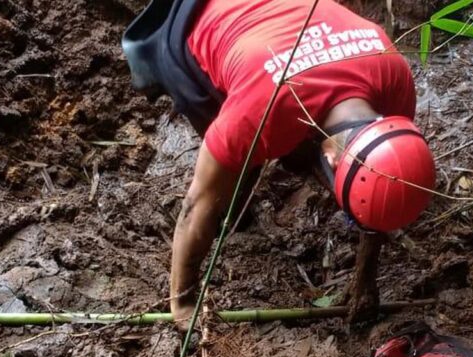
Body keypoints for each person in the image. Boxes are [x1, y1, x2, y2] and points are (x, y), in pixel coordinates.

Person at [122, 0, 436, 329]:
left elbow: (384, 178)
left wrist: (366, 281)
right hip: (192, 24)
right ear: (329, 158)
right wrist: (184, 304)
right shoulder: (256, 116)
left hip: (273, 27)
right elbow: (196, 203)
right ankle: (236, 210)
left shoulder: (395, 77)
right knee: (229, 177)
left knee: (287, 149)